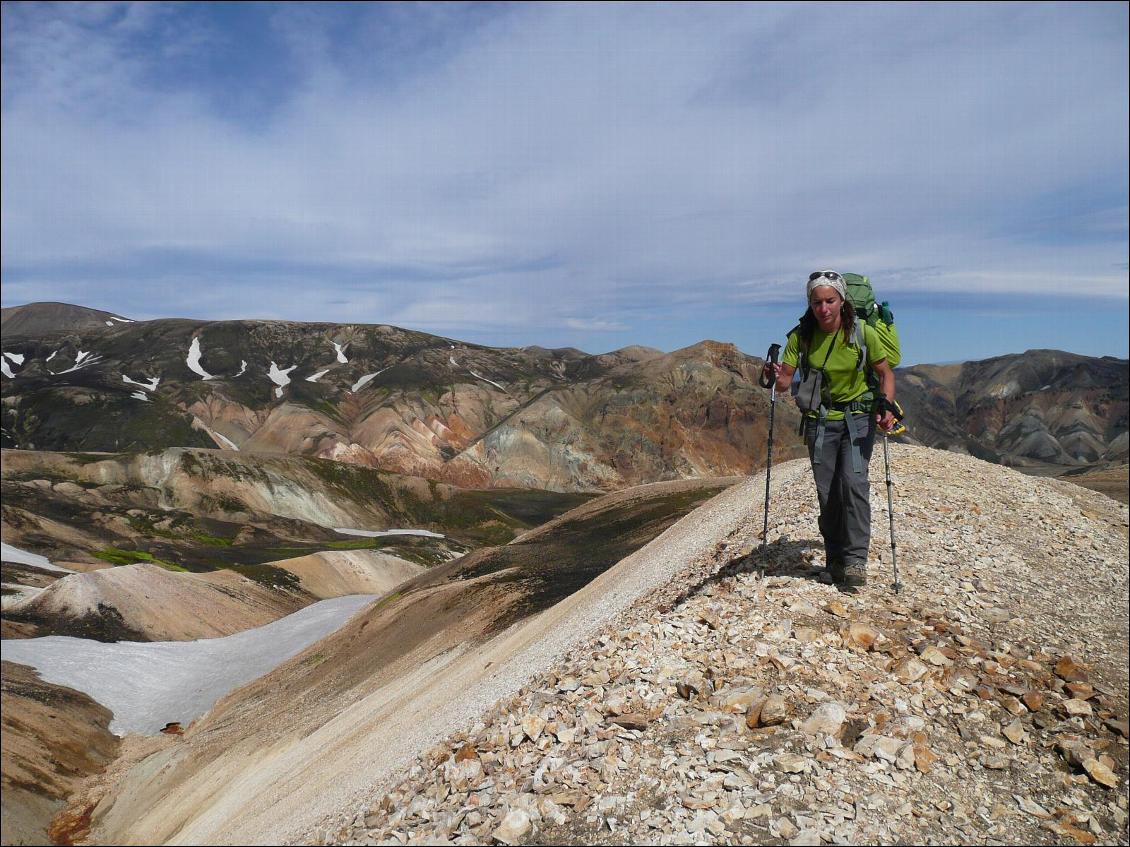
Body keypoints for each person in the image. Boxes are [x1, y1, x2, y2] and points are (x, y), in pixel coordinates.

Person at [762, 270, 897, 590]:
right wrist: (776, 373)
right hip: (819, 422)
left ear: (841, 301)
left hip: (858, 419)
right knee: (827, 493)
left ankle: (855, 560)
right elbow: (784, 384)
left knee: (852, 484)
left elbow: (885, 374)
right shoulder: (801, 337)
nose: (823, 308)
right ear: (810, 304)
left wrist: (886, 406)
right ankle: (835, 557)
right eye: (817, 302)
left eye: (830, 301)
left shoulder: (863, 333)